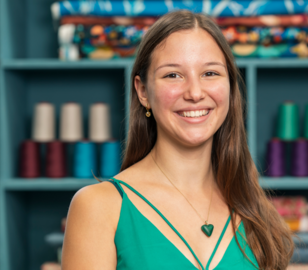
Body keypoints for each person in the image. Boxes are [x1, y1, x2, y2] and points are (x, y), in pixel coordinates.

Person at [62, 10, 294, 270]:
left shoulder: (255, 209)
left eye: (210, 73)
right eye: (173, 75)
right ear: (142, 91)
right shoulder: (99, 207)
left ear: (230, 85)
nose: (195, 93)